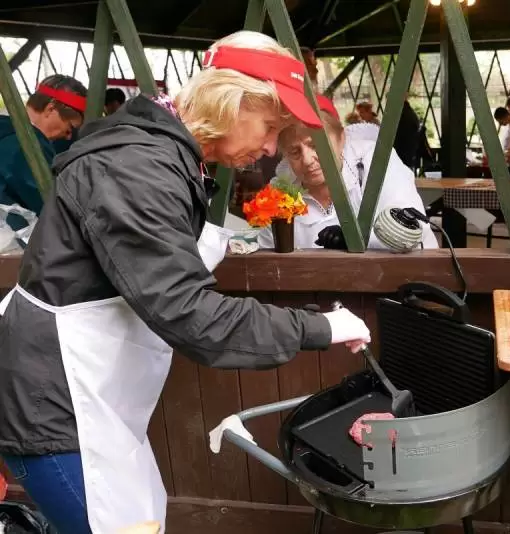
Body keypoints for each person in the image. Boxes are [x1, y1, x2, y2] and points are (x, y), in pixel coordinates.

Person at [0, 31, 371, 534]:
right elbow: (192, 314)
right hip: (57, 408)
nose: (269, 148)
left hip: (95, 402)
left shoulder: (165, 156)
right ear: (231, 100)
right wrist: (320, 327)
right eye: (269, 127)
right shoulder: (136, 167)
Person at [259, 95, 438, 251]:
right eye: (294, 152)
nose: (307, 160)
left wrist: (356, 239)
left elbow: (413, 231)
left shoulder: (376, 164)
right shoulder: (281, 191)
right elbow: (266, 251)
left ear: (342, 138)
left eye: (316, 145)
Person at [0, 75, 86, 227]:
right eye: (69, 127)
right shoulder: (25, 145)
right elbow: (51, 208)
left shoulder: (5, 130)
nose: (68, 137)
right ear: (51, 109)